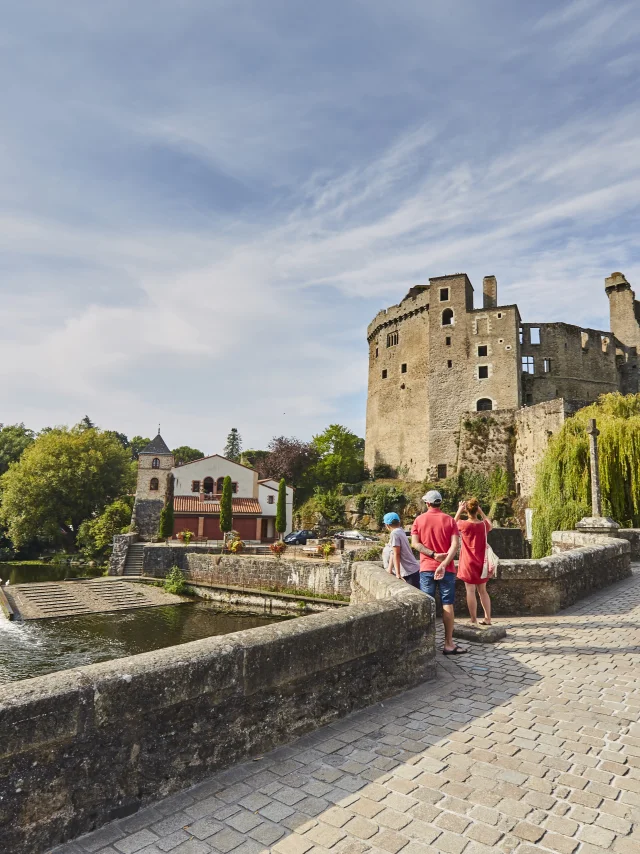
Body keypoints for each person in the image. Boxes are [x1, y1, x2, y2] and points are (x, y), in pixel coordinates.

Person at [411, 490, 466, 656]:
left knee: (428, 604)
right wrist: (443, 564)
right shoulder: (450, 520)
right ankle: (448, 644)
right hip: (447, 569)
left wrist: (433, 555)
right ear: (440, 503)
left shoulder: (419, 520)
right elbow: (455, 546)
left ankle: (426, 644)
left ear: (427, 503)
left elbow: (415, 544)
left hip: (427, 567)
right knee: (447, 603)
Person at [454, 498, 493, 626]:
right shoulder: (483, 525)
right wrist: (481, 512)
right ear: (477, 509)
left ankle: (473, 619)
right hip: (482, 562)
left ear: (466, 510)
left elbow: (451, 525)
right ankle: (488, 618)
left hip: (467, 562)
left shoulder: (463, 524)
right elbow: (490, 524)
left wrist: (459, 510)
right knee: (483, 591)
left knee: (470, 591)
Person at [381, 512, 421, 588]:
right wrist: (389, 569)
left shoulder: (394, 534)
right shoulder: (400, 530)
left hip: (408, 571)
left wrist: (398, 574)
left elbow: (396, 553)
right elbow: (393, 552)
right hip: (412, 569)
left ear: (387, 525)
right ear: (399, 522)